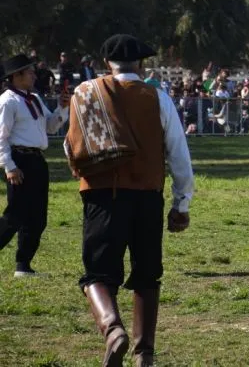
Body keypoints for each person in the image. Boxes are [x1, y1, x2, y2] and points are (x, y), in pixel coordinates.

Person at [64, 34, 194, 367]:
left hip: (100, 195)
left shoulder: (85, 94)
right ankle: (144, 354)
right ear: (141, 64)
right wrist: (181, 204)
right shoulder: (157, 98)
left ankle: (112, 329)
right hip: (147, 195)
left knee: (96, 274)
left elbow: (71, 146)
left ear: (107, 63)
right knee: (147, 274)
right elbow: (178, 153)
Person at [0, 54, 70, 277]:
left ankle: (23, 264)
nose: (33, 75)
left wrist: (62, 109)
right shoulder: (8, 101)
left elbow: (50, 127)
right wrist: (9, 166)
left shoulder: (35, 99)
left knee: (38, 217)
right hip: (19, 159)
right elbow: (1, 137)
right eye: (29, 72)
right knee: (15, 216)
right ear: (16, 76)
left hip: (37, 160)